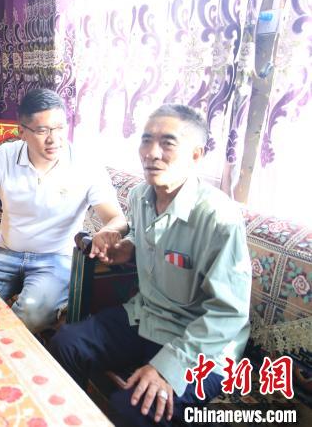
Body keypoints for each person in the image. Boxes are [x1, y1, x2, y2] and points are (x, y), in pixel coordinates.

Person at [49, 104, 252, 426]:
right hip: (146, 316)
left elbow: (228, 313)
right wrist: (126, 248)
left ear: (196, 155)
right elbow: (147, 238)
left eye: (167, 143)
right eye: (146, 140)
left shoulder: (218, 217)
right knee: (66, 344)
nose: (151, 153)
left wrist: (169, 367)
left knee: (134, 408)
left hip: (203, 345)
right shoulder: (141, 196)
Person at [0, 88, 126, 333]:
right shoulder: (4, 156)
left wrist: (108, 232)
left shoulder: (86, 164)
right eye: (42, 130)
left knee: (31, 314)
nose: (54, 139)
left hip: (55, 259)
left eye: (59, 128)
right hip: (5, 252)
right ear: (22, 132)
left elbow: (116, 218)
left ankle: (0, 349)